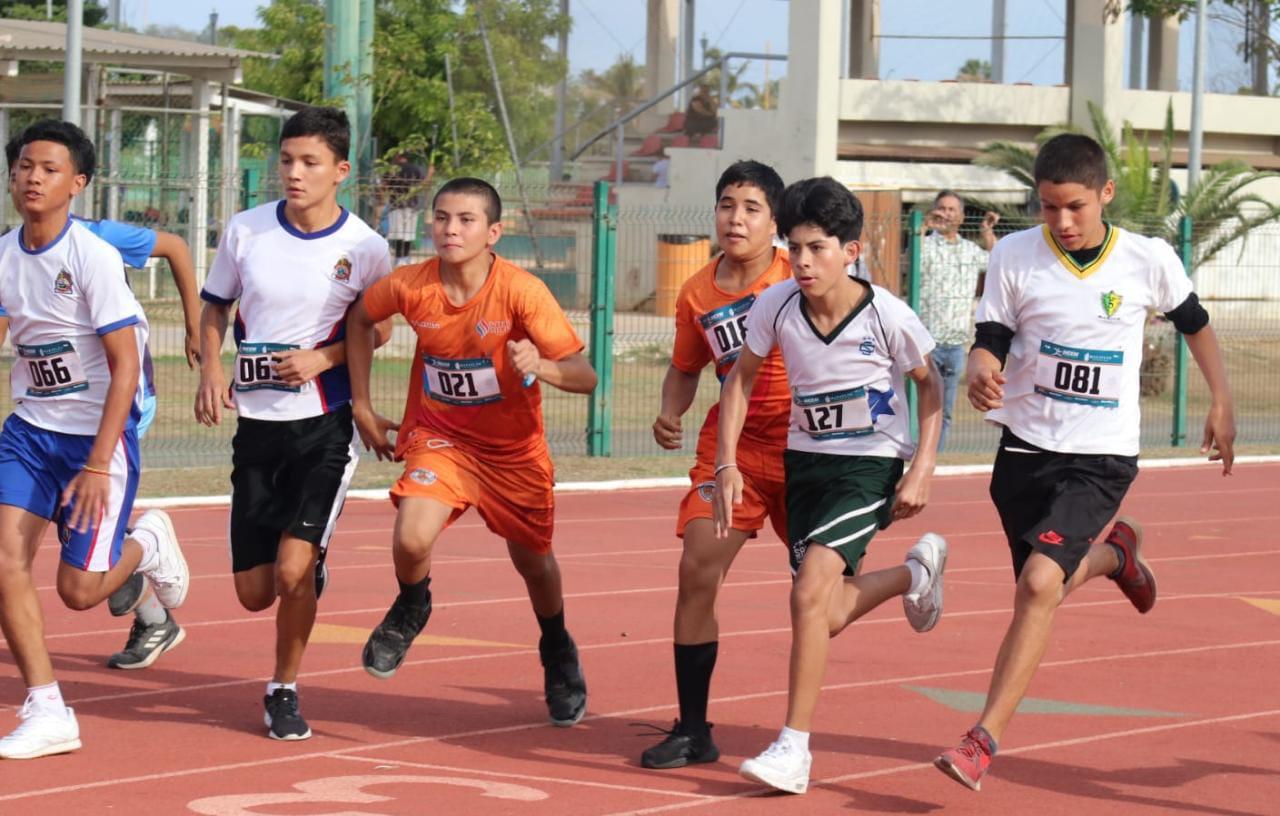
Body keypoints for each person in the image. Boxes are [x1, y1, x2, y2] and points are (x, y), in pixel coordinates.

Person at [932, 133, 1236, 792]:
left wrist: (1222, 400)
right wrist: (980, 369)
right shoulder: (1015, 256)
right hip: (1024, 449)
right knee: (1040, 590)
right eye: (1048, 208)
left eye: (1074, 207)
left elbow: (1196, 324)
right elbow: (989, 341)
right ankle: (1116, 557)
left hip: (1100, 455)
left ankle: (982, 739)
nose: (1062, 222)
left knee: (1039, 586)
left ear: (1105, 194)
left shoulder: (1146, 260)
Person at [715, 176, 947, 794]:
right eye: (794, 248)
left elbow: (930, 387)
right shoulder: (776, 306)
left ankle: (793, 748)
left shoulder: (887, 315)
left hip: (869, 465)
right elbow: (738, 381)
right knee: (830, 610)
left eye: (817, 248)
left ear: (851, 249)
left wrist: (921, 467)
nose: (803, 262)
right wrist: (726, 462)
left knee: (807, 596)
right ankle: (915, 574)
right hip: (806, 465)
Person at [346, 177, 598, 728]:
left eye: (465, 220)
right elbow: (360, 319)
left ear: (494, 233)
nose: (450, 229)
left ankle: (557, 648)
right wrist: (361, 404)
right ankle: (413, 604)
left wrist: (543, 367)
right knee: (411, 534)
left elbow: (585, 375)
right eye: (441, 217)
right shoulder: (411, 285)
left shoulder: (522, 293)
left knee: (533, 564)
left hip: (513, 454)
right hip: (442, 440)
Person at [194, 107, 393, 741]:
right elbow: (214, 306)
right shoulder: (247, 230)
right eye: (286, 160)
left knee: (290, 572)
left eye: (309, 163)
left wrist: (324, 357)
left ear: (341, 170)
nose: (294, 173)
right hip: (256, 423)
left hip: (324, 425)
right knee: (255, 592)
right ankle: (306, 563)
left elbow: (379, 328)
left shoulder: (364, 247)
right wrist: (207, 371)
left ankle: (283, 688)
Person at [0, 120, 188, 760]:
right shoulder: (3, 253)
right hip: (30, 431)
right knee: (5, 562)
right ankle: (48, 707)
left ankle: (151, 541)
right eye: (25, 165)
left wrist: (100, 462)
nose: (32, 177)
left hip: (97, 439)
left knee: (79, 593)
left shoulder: (92, 256)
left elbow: (125, 366)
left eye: (49, 169)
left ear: (76, 184)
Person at [640, 160, 790, 770]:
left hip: (810, 447)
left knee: (822, 594)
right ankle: (693, 729)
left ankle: (910, 577)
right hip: (732, 450)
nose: (736, 218)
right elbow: (686, 366)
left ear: (774, 221)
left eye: (752, 208)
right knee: (697, 568)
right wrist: (669, 411)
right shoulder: (697, 291)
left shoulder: (798, 273)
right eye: (727, 204)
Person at [917, 190, 998, 452]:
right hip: (925, 343)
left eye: (952, 209)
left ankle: (935, 460)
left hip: (956, 345)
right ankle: (912, 458)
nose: (946, 214)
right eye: (942, 208)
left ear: (962, 217)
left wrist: (987, 234)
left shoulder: (970, 250)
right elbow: (908, 257)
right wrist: (923, 227)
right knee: (917, 407)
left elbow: (998, 263)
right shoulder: (925, 245)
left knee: (945, 409)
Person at [383, 153, 428, 267]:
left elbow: (385, 185)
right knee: (409, 233)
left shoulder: (392, 169)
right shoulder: (415, 169)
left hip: (396, 205)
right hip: (412, 205)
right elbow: (423, 184)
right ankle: (406, 258)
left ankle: (398, 258)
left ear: (398, 157)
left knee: (398, 234)